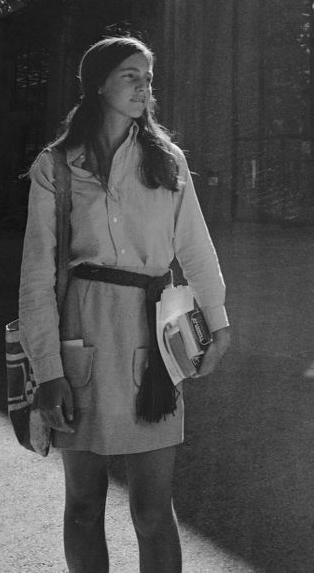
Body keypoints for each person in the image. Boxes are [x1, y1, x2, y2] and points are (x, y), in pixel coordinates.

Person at [19, 35, 230, 573]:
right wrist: (47, 370)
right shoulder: (57, 165)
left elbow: (196, 247)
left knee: (153, 511)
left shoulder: (166, 159)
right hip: (80, 339)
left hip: (152, 340)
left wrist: (218, 319)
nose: (144, 87)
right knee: (85, 505)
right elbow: (37, 276)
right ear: (98, 84)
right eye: (130, 76)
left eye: (148, 78)